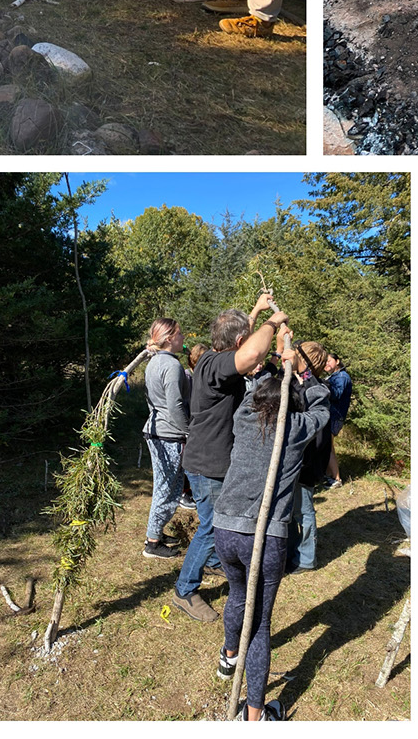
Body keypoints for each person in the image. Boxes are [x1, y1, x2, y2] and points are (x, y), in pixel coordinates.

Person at [212, 326, 333, 720]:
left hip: (225, 529)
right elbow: (322, 406)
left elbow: (257, 384)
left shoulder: (244, 415)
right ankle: (255, 714)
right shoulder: (295, 428)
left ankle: (229, 657)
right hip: (263, 537)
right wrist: (303, 373)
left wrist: (283, 355)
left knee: (235, 594)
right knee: (260, 623)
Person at [173, 294, 286, 625]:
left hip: (205, 460)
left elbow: (242, 342)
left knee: (216, 524)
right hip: (207, 466)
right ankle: (185, 589)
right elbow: (250, 351)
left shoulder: (212, 357)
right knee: (211, 526)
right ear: (237, 343)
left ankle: (215, 562)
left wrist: (256, 310)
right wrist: (271, 324)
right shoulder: (218, 366)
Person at [293, 341, 352, 571]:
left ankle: (307, 558)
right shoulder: (304, 382)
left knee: (304, 509)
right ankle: (294, 551)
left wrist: (312, 465)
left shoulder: (316, 388)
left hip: (307, 460)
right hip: (298, 460)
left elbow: (318, 437)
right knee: (294, 509)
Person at [142, 318, 191, 559]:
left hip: (159, 430)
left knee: (167, 486)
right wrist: (188, 430)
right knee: (167, 489)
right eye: (180, 334)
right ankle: (152, 542)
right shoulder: (171, 366)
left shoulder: (155, 362)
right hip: (168, 434)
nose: (183, 338)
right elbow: (174, 404)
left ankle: (156, 532)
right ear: (170, 338)